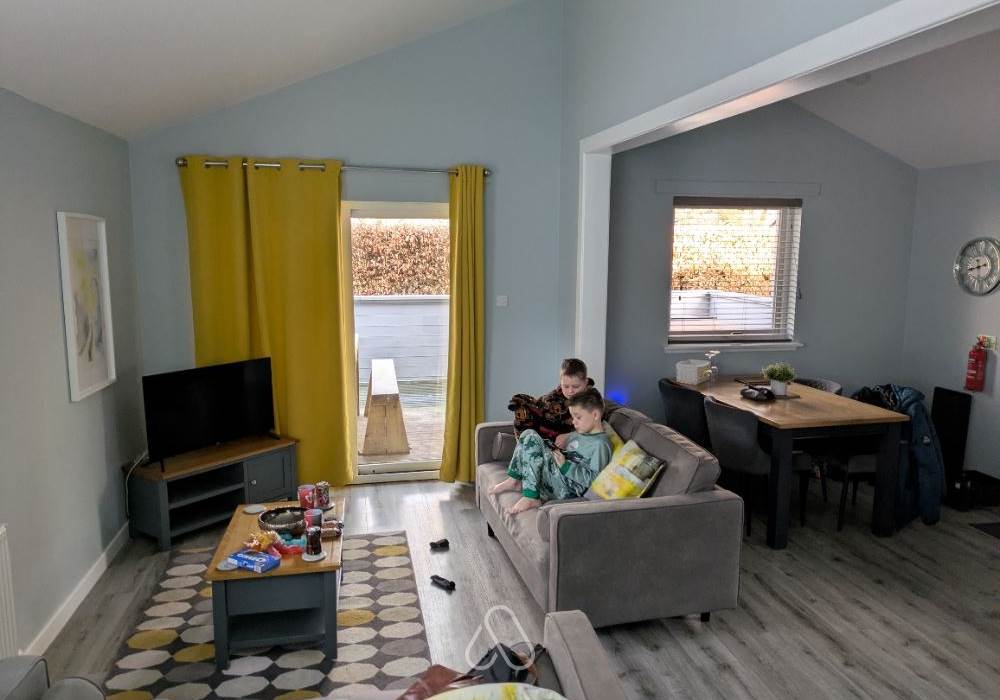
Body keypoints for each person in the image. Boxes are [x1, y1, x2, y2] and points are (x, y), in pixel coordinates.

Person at [490, 387, 612, 515]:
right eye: (572, 417)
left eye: (578, 417)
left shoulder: (601, 445)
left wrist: (565, 466)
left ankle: (531, 498)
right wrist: (557, 446)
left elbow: (594, 480)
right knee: (527, 433)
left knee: (532, 439)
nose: (574, 422)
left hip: (567, 488)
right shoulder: (581, 433)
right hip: (557, 476)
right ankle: (514, 480)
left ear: (595, 415)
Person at [507, 358, 594, 450]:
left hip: (572, 444)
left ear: (585, 382)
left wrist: (570, 436)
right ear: (561, 382)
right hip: (545, 440)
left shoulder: (594, 401)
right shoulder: (552, 400)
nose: (570, 391)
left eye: (576, 386)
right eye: (565, 386)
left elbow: (597, 429)